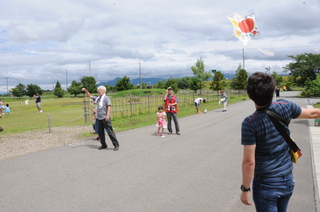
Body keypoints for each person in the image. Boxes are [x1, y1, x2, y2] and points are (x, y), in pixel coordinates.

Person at [240, 72, 320, 211]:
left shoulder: (250, 123)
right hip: (287, 179)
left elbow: (249, 162)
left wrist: (245, 188)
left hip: (266, 183)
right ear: (273, 91)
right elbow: (313, 113)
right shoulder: (285, 105)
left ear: (250, 96)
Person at [82, 86, 119, 151]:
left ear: (104, 91)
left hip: (105, 117)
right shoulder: (98, 98)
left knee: (110, 132)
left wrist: (107, 115)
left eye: (100, 90)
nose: (99, 91)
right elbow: (90, 96)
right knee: (100, 132)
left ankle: (116, 144)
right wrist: (85, 90)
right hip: (99, 118)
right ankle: (103, 144)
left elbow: (109, 106)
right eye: (98, 90)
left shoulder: (106, 98)